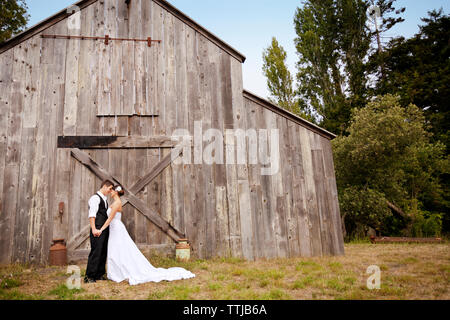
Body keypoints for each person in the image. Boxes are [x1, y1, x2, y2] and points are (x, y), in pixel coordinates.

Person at [98, 185, 196, 285]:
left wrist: (101, 229)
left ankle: (120, 272)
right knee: (116, 249)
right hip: (114, 228)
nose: (110, 192)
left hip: (117, 228)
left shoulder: (117, 203)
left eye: (112, 190)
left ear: (116, 192)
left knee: (118, 249)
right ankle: (116, 271)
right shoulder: (115, 202)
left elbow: (110, 219)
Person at [84, 180, 114, 283]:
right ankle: (89, 276)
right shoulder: (95, 198)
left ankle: (99, 274)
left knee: (102, 251)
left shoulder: (104, 200)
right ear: (105, 186)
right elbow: (92, 215)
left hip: (103, 230)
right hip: (97, 229)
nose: (110, 191)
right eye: (110, 189)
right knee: (96, 252)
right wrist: (93, 229)